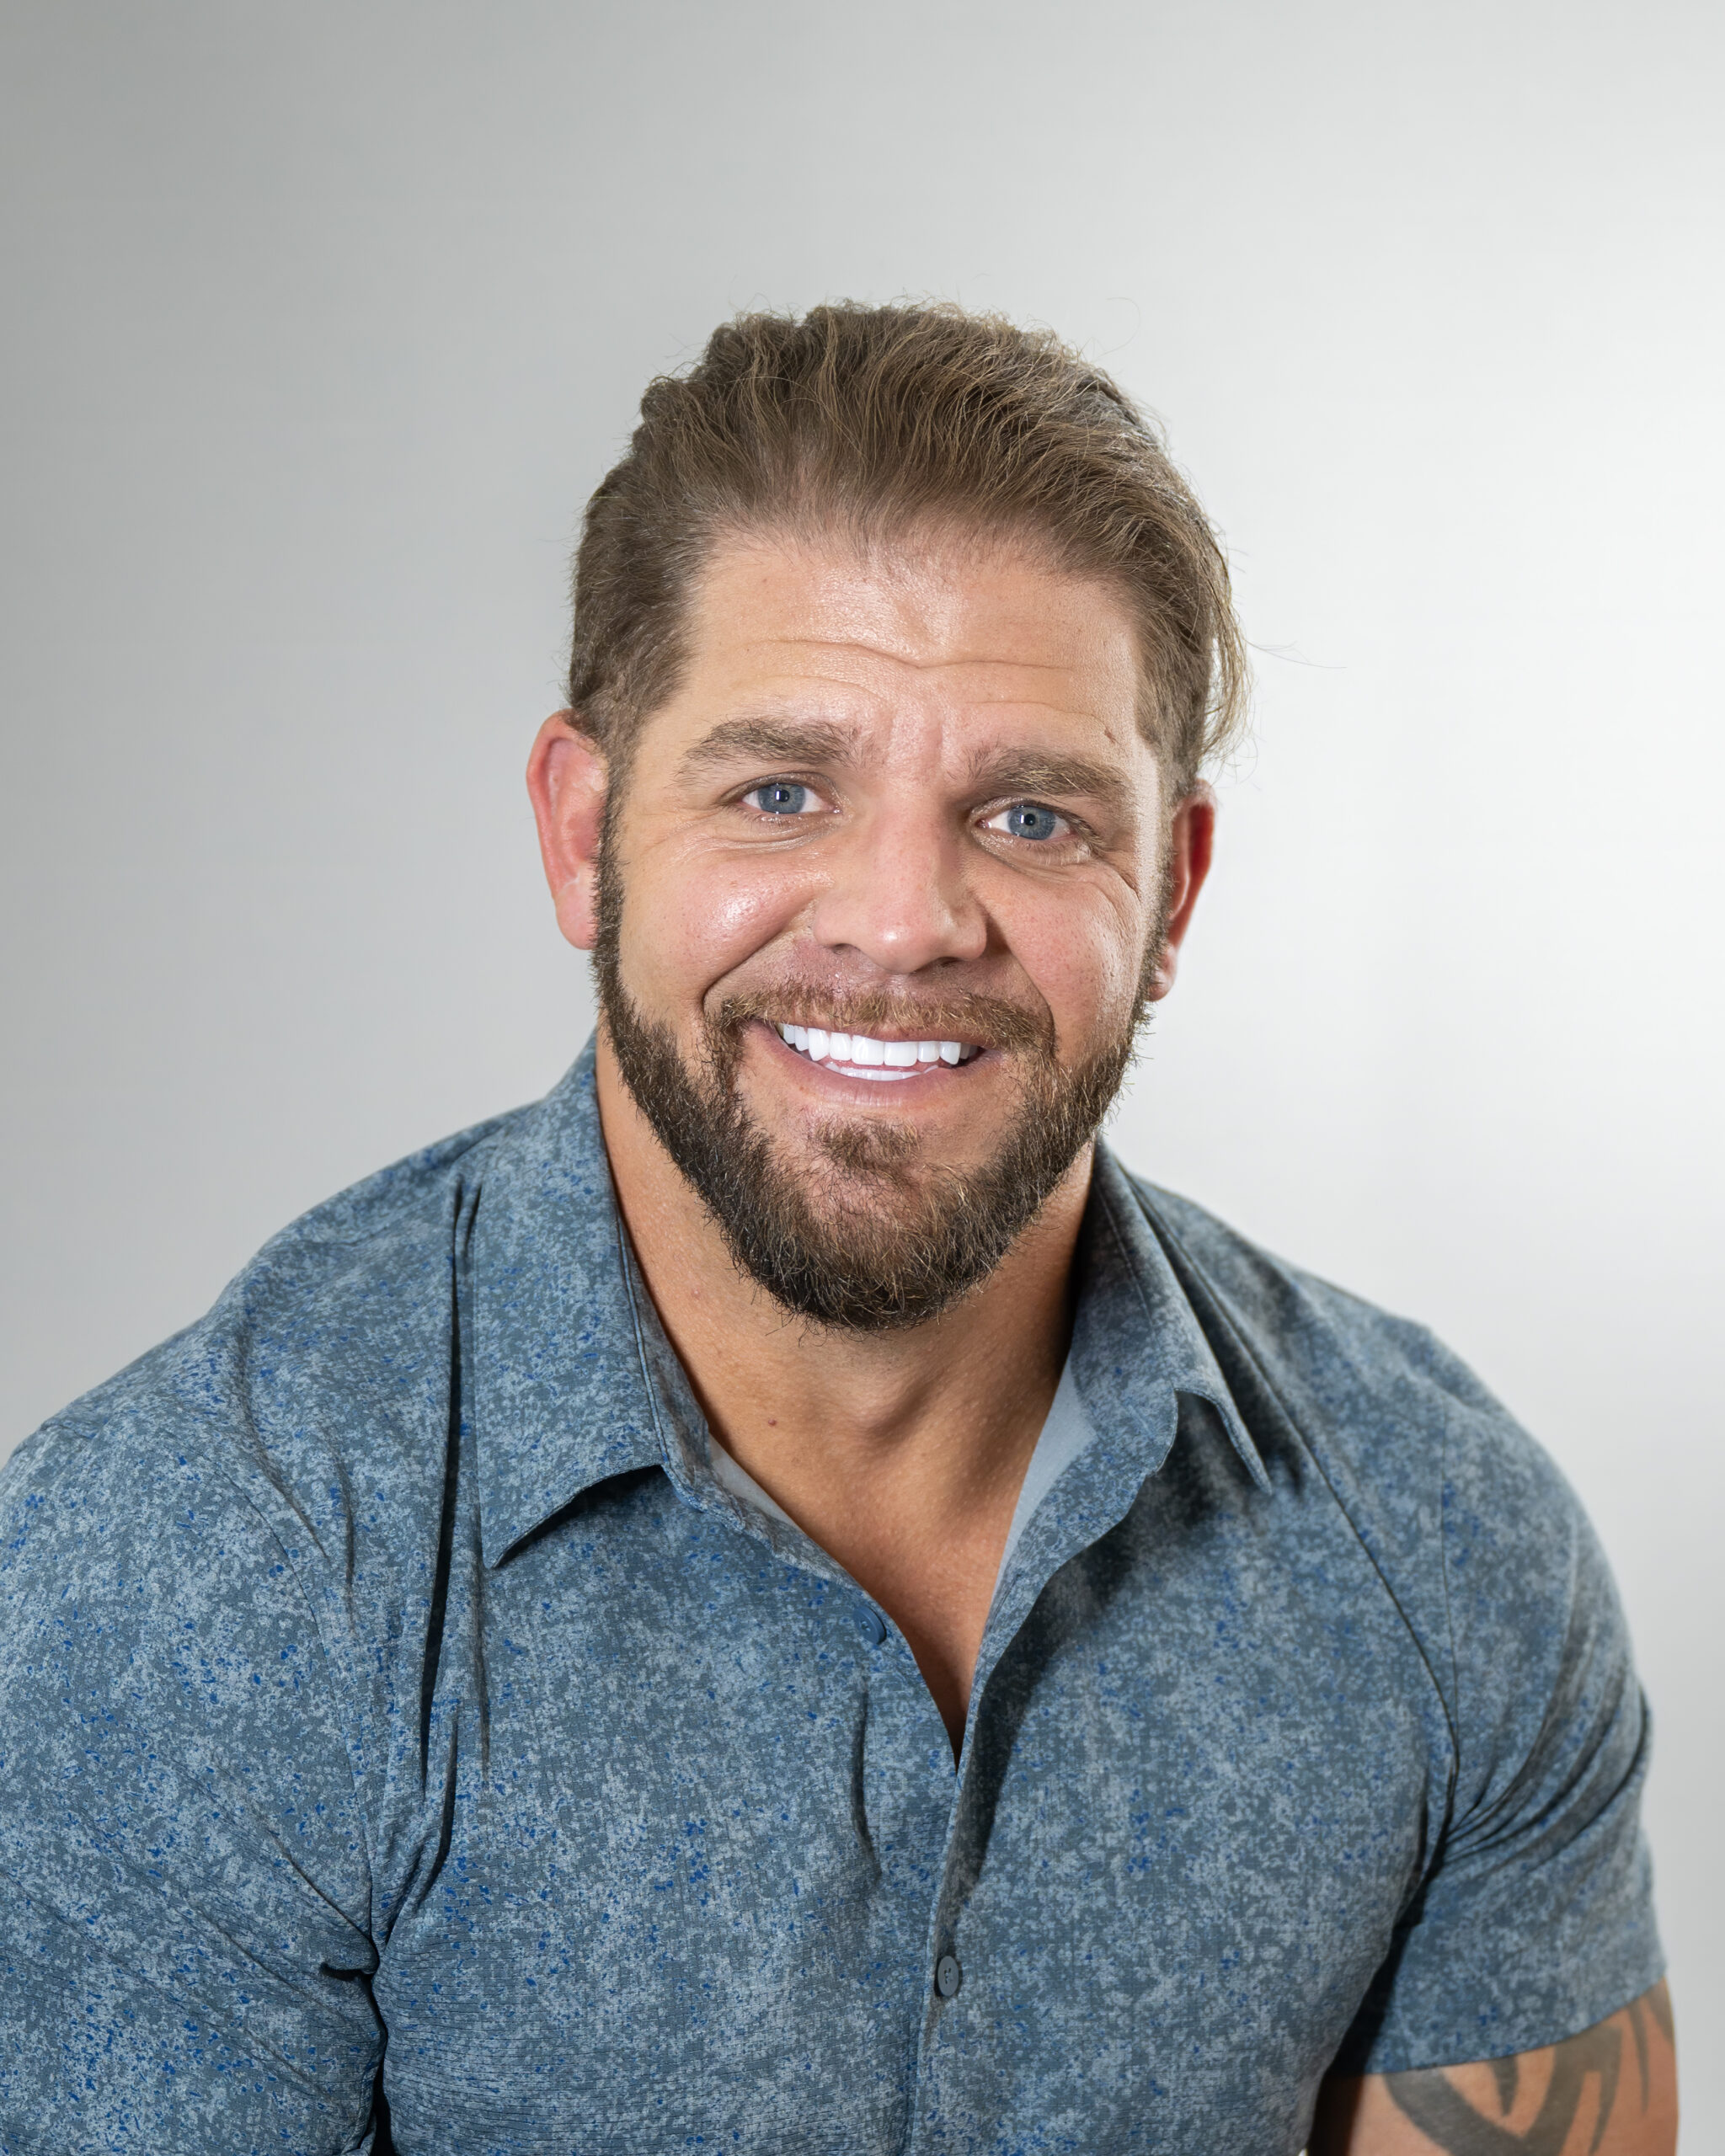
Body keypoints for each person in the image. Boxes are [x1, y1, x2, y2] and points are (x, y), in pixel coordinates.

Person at [0, 302, 1674, 2156]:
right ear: (584, 829)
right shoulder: (196, 1562)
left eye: (1031, 815)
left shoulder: (1440, 1539)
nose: (899, 922)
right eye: (779, 789)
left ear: (1172, 890)